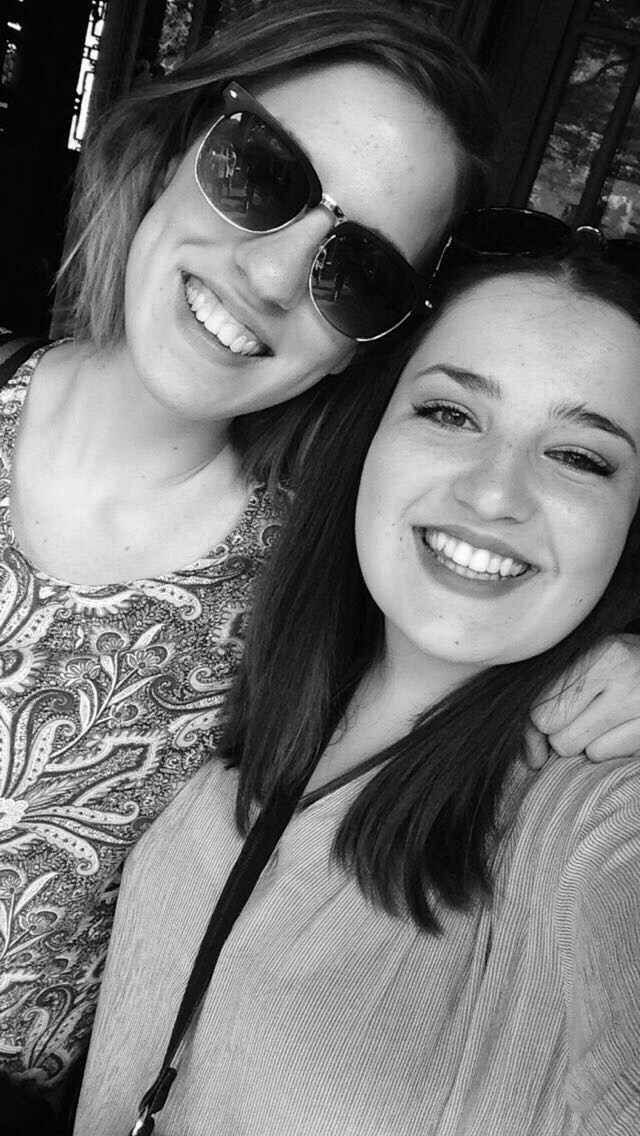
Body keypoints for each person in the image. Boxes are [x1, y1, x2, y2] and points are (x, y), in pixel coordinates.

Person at [0, 0, 639, 1112]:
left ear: (367, 347)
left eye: (362, 271)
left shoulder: (305, 592)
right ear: (173, 144)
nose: (272, 273)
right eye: (260, 173)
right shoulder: (333, 607)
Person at [76, 225, 640, 1134]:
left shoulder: (597, 814)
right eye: (451, 413)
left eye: (580, 458)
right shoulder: (244, 657)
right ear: (371, 435)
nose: (495, 494)